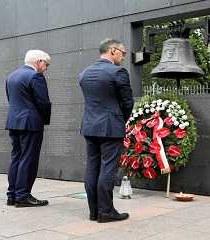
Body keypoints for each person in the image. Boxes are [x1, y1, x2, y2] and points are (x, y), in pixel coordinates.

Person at [79, 39, 133, 222]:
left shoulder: (84, 74)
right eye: (122, 53)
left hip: (89, 126)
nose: (124, 57)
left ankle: (94, 212)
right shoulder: (118, 72)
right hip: (110, 127)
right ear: (112, 51)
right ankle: (106, 212)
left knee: (92, 168)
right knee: (108, 169)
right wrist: (121, 120)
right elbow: (127, 103)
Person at [5, 50, 52, 208]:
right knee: (28, 159)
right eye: (46, 64)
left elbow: (11, 100)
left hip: (14, 122)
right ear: (39, 61)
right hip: (31, 124)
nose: (46, 68)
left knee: (16, 157)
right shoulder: (36, 76)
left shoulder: (11, 76)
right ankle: (23, 196)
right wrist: (44, 120)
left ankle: (12, 195)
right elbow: (44, 103)